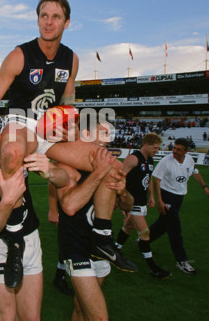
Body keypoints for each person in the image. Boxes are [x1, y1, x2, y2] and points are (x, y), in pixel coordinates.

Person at [0, 0, 130, 286]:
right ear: (37, 19)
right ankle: (14, 240)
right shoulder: (19, 55)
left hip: (52, 129)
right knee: (12, 153)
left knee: (109, 162)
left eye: (55, 16)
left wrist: (72, 127)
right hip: (21, 123)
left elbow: (69, 105)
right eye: (43, 16)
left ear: (67, 22)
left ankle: (102, 236)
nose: (48, 22)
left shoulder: (71, 59)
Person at [0, 107, 65, 320]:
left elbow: (66, 179)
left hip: (30, 238)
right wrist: (7, 201)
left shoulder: (17, 148)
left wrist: (50, 171)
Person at [55, 123, 129, 320]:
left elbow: (129, 206)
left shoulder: (112, 165)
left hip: (101, 249)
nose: (109, 139)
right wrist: (98, 173)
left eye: (110, 134)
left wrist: (122, 192)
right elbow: (69, 206)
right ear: (86, 134)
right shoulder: (67, 165)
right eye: (103, 133)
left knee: (80, 308)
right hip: (76, 245)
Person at [149, 138, 209, 275]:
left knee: (163, 223)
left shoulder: (189, 159)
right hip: (167, 195)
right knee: (175, 228)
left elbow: (195, 172)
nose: (175, 151)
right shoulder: (166, 161)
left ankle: (144, 239)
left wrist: (204, 186)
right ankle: (181, 261)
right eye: (174, 148)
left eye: (179, 149)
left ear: (186, 151)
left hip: (179, 196)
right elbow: (156, 181)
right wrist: (160, 201)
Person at [115, 133, 172, 279]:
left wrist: (151, 196)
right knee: (144, 232)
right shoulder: (133, 158)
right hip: (132, 202)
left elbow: (148, 178)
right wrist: (122, 200)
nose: (157, 150)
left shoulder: (150, 159)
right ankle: (153, 267)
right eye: (155, 147)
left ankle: (115, 251)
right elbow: (120, 177)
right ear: (146, 145)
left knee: (129, 227)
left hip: (141, 201)